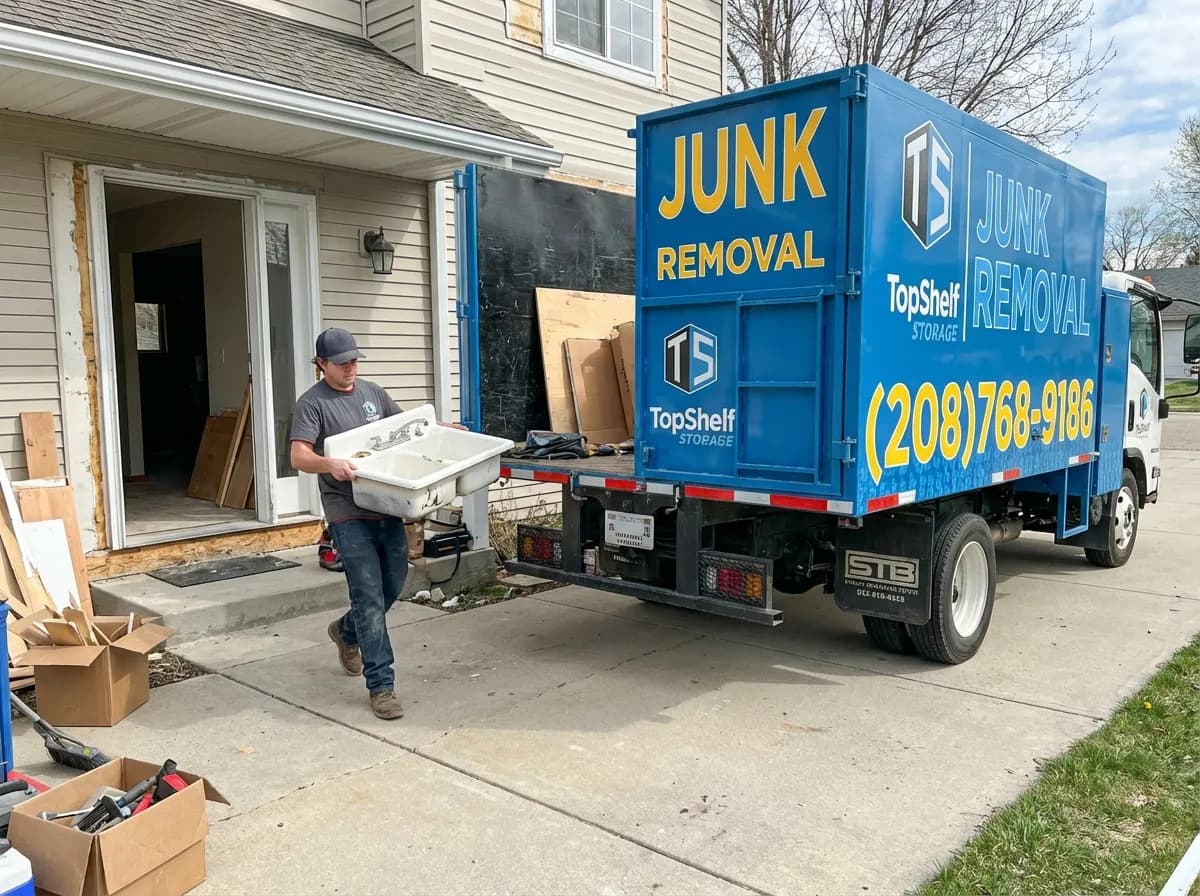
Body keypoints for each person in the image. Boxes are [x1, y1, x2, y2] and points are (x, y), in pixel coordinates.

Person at [289, 327, 461, 720]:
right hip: (347, 509)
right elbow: (300, 456)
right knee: (367, 594)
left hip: (388, 501)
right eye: (342, 363)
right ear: (321, 365)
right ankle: (382, 685)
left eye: (354, 360)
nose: (351, 368)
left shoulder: (373, 394)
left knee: (392, 585)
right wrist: (329, 463)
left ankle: (346, 632)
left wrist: (443, 431)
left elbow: (408, 433)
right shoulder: (312, 405)